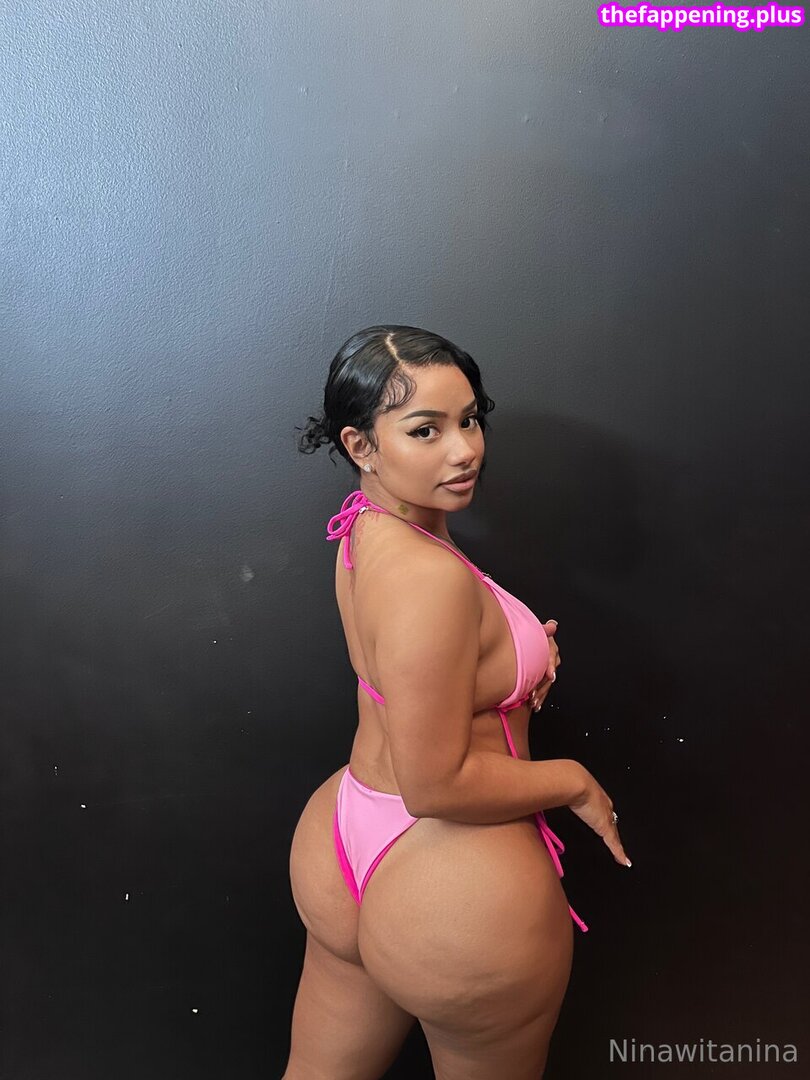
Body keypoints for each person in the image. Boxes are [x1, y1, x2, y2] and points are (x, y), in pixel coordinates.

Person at [284, 325, 630, 1079]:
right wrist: (574, 781)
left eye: (469, 420)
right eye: (426, 430)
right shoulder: (430, 579)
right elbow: (435, 784)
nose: (464, 449)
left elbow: (415, 669)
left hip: (346, 834)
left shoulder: (365, 525)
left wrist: (517, 658)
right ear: (361, 445)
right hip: (448, 877)